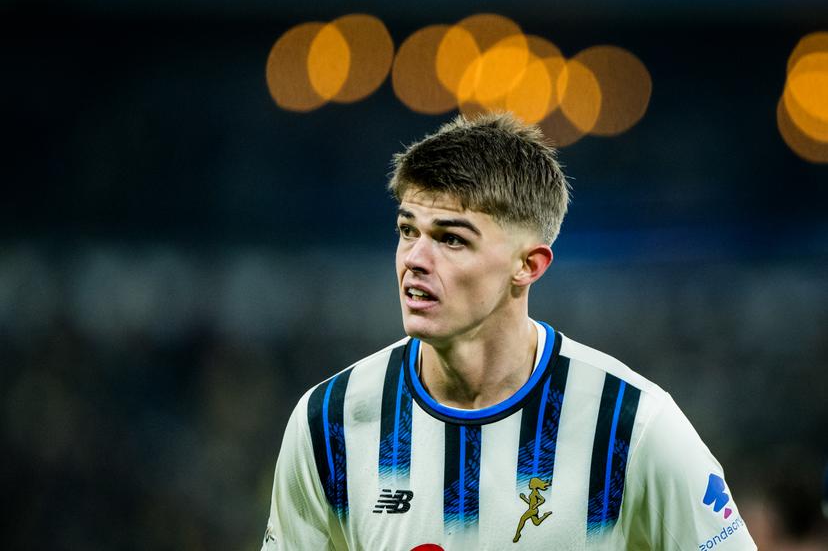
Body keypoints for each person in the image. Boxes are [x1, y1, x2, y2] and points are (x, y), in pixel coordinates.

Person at [260, 113, 757, 550]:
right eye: (408, 230)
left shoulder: (631, 425)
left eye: (451, 239)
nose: (415, 259)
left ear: (528, 265)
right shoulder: (331, 421)